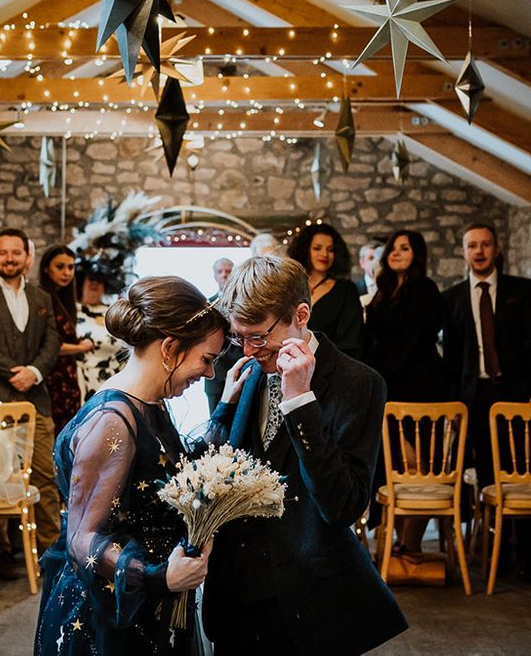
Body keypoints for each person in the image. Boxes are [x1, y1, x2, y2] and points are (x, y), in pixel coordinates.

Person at [203, 255, 407, 655]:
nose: (246, 349)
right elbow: (225, 465)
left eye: (258, 336)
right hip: (236, 596)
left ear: (301, 314)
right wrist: (224, 409)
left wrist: (301, 405)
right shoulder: (246, 369)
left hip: (306, 599)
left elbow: (343, 505)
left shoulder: (359, 383)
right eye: (238, 336)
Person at [35, 276, 229, 655]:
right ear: (170, 348)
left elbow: (166, 472)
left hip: (145, 609)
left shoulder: (149, 404)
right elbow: (82, 540)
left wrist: (226, 408)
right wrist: (158, 576)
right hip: (109, 617)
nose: (208, 374)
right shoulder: (113, 421)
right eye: (206, 359)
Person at [0, 228, 61, 580]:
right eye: (2, 252)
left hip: (34, 400)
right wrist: (12, 373)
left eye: (15, 252)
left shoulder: (41, 297)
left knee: (47, 476)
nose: (9, 258)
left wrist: (34, 371)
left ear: (26, 257)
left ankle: (51, 550)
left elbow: (52, 341)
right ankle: (1, 551)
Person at [443, 223, 531, 579]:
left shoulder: (522, 292)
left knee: (520, 469)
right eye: (472, 246)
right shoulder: (452, 298)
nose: (479, 251)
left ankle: (525, 552)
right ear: (464, 252)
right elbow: (450, 357)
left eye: (485, 244)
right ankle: (494, 549)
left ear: (496, 249)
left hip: (515, 394)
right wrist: (453, 405)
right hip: (473, 397)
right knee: (486, 473)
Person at [364, 230, 447, 546]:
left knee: (417, 467)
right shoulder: (383, 291)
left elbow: (417, 340)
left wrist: (383, 374)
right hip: (386, 387)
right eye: (393, 248)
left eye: (405, 247)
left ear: (418, 254)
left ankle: (409, 544)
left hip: (419, 385)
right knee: (391, 468)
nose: (397, 252)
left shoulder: (425, 289)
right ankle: (399, 544)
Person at [287, 223, 363, 359]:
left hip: (330, 366)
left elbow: (351, 341)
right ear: (305, 250)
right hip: (287, 360)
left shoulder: (346, 289)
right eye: (317, 248)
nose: (324, 254)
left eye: (331, 250)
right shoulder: (290, 286)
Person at [39, 245, 93, 435]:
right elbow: (51, 346)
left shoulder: (64, 299)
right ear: (46, 268)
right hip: (51, 377)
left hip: (67, 377)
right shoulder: (42, 298)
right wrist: (81, 348)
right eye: (60, 267)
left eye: (70, 267)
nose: (66, 272)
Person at [76, 267, 126, 403]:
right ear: (82, 283)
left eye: (99, 280)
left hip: (113, 380)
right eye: (91, 279)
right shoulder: (73, 311)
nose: (94, 284)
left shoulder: (113, 312)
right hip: (81, 380)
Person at [205, 257, 243, 413]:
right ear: (214, 276)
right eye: (220, 272)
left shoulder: (245, 302)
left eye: (228, 271)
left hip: (240, 365)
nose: (224, 275)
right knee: (215, 419)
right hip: (215, 371)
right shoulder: (207, 304)